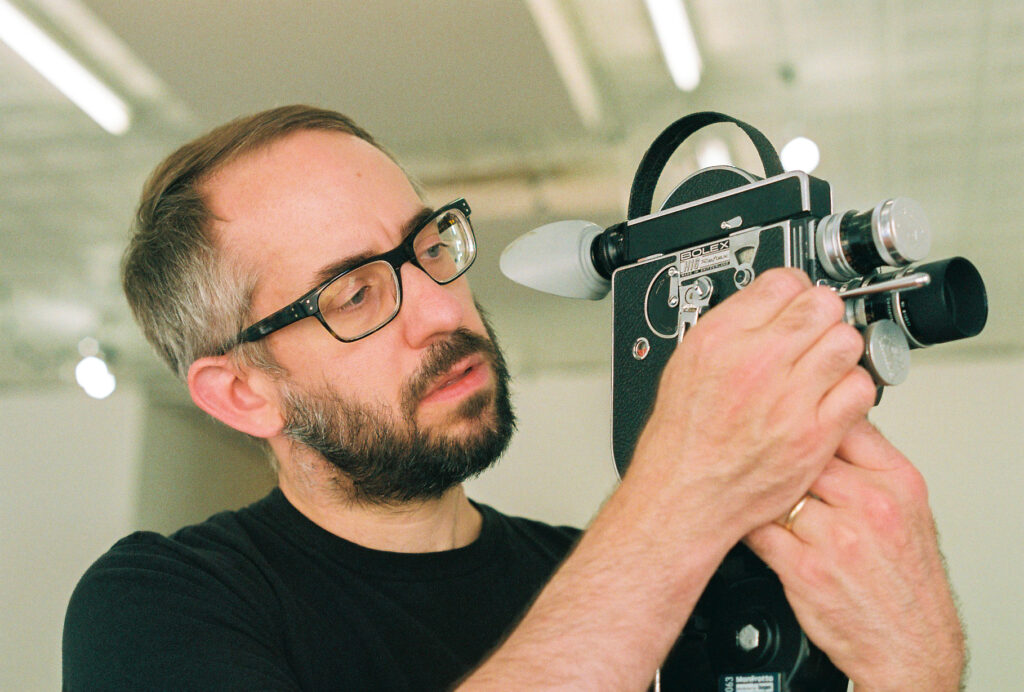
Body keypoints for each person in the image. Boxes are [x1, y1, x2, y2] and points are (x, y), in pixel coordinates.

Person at [63, 105, 965, 690]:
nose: (442, 310)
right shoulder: (157, 606)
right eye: (355, 295)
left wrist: (914, 667)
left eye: (427, 246)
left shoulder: (614, 580)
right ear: (242, 393)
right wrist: (683, 490)